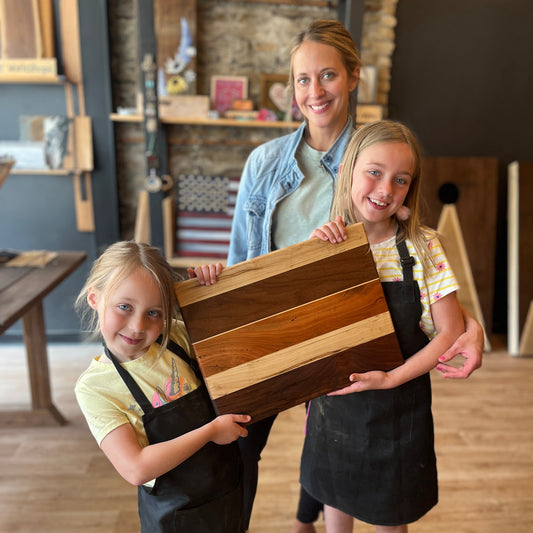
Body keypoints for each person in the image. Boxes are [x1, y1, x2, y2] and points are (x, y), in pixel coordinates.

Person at [224, 18, 484, 533]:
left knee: (335, 440)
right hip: (278, 334)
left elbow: (409, 265)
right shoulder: (264, 163)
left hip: (351, 342)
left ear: (354, 76)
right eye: (302, 79)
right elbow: (242, 265)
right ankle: (301, 519)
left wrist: (466, 324)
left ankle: (307, 519)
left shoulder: (379, 153)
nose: (314, 91)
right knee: (237, 454)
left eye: (328, 76)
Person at [300, 119, 465, 532]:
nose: (385, 189)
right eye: (374, 172)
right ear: (347, 170)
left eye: (400, 180)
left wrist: (391, 380)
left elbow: (449, 331)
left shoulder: (425, 247)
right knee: (335, 503)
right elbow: (306, 330)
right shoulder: (324, 246)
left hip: (398, 414)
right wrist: (317, 260)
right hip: (333, 411)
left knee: (392, 518)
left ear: (411, 188)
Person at [74, 241, 250, 533]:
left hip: (226, 496)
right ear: (94, 297)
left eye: (153, 313)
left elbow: (238, 340)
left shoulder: (176, 338)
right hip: (176, 519)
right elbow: (136, 468)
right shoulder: (95, 387)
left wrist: (211, 291)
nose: (137, 326)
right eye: (124, 307)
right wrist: (210, 432)